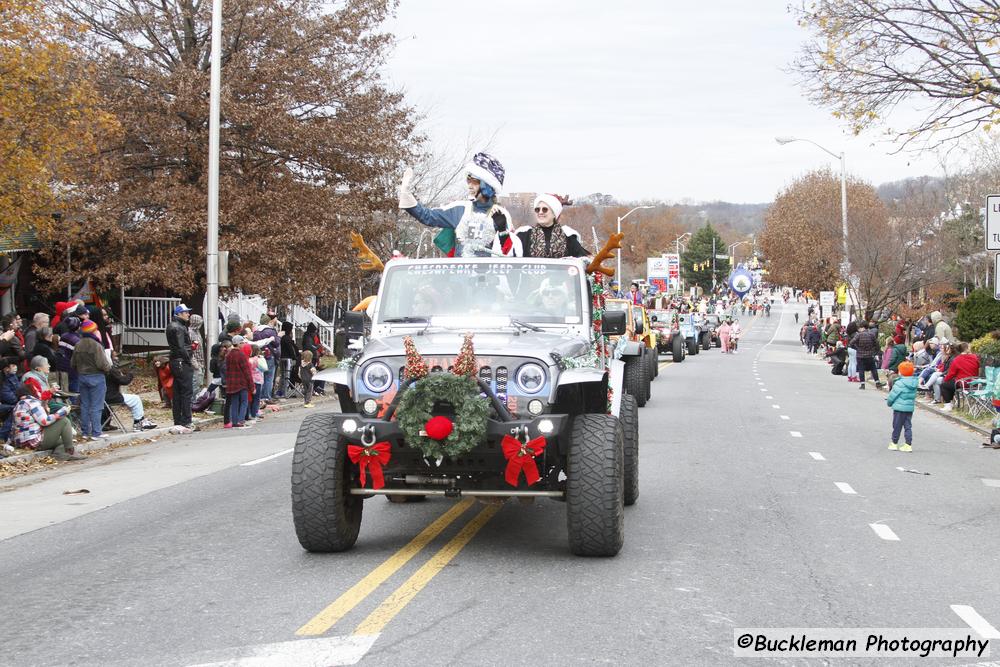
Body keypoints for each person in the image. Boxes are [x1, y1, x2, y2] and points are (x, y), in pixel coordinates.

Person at [399, 152, 521, 257]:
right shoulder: (460, 209)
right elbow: (428, 216)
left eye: (474, 182)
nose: (469, 186)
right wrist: (407, 195)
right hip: (458, 281)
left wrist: (503, 232)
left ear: (487, 186)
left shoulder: (501, 214)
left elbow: (511, 255)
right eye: (468, 181)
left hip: (487, 281)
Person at [12, 378, 82, 460]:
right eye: (37, 390)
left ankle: (60, 454)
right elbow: (44, 421)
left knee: (65, 439)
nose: (38, 392)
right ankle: (70, 451)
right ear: (31, 391)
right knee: (64, 421)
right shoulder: (31, 402)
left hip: (21, 442)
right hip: (34, 441)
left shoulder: (18, 405)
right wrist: (62, 412)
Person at [71, 320, 112, 440]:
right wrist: (109, 367)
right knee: (96, 406)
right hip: (96, 377)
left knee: (85, 405)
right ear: (93, 331)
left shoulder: (78, 344)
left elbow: (73, 363)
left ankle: (85, 432)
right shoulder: (96, 345)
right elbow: (102, 364)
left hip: (82, 377)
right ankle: (96, 432)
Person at [515, 194, 590, 258]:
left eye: (545, 209)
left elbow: (583, 259)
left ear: (554, 213)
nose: (540, 212)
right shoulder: (524, 234)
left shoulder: (567, 236)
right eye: (537, 210)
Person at [165, 303, 195, 433]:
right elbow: (180, 346)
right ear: (178, 314)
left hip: (176, 361)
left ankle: (178, 420)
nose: (188, 314)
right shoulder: (179, 328)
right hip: (181, 362)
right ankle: (186, 421)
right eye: (186, 312)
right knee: (186, 392)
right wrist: (188, 359)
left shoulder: (174, 326)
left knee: (177, 392)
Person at [105, 358, 157, 431]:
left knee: (129, 401)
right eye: (114, 356)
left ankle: (104, 424)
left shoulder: (96, 370)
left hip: (100, 398)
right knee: (136, 399)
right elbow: (124, 381)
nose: (116, 358)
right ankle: (138, 422)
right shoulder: (110, 370)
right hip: (112, 397)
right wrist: (130, 374)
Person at [939, 341, 979, 412]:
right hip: (975, 382)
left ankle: (948, 405)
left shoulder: (957, 359)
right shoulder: (975, 357)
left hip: (963, 383)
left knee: (944, 385)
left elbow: (951, 374)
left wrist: (945, 379)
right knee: (949, 384)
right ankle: (952, 403)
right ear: (967, 348)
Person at [886, 361, 917, 452]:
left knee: (897, 425)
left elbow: (893, 395)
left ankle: (894, 443)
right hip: (909, 408)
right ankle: (908, 444)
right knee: (908, 425)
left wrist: (889, 403)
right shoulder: (914, 383)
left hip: (899, 408)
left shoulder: (899, 383)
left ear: (901, 372)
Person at [224, 336, 253, 428]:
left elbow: (226, 369)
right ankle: (241, 420)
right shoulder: (241, 355)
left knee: (234, 403)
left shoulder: (228, 355)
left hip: (231, 383)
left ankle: (234, 421)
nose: (243, 344)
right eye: (242, 343)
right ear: (239, 343)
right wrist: (251, 386)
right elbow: (246, 371)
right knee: (244, 401)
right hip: (241, 382)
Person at [254, 312, 280, 403]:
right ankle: (266, 397)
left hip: (260, 355)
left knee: (260, 377)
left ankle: (259, 397)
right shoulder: (271, 331)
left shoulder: (256, 331)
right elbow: (276, 343)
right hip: (270, 355)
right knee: (269, 377)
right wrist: (278, 337)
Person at [850, 321, 883, 390]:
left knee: (861, 369)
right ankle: (877, 383)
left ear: (863, 327)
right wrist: (874, 351)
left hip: (860, 355)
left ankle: (862, 384)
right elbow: (877, 344)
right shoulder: (871, 334)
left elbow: (851, 343)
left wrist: (857, 348)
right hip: (870, 355)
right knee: (873, 368)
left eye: (860, 327)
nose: (859, 329)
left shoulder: (858, 335)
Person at [54, 316, 81, 393]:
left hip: (62, 365)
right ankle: (73, 403)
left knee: (64, 388)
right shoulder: (77, 340)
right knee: (74, 389)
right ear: (78, 327)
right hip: (72, 367)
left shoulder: (63, 336)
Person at [277, 321, 300, 398]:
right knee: (287, 375)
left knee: (283, 375)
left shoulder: (281, 337)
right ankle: (285, 392)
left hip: (281, 358)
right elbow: (291, 349)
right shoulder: (287, 338)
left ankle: (280, 392)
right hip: (287, 358)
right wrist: (295, 357)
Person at [0, 360, 20, 443]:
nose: (15, 367)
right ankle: (2, 436)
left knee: (16, 408)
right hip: (6, 403)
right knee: (14, 409)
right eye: (13, 365)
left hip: (7, 403)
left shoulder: (12, 377)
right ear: (6, 368)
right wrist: (18, 400)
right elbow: (6, 395)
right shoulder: (2, 378)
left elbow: (19, 391)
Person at [188, 313, 205, 397]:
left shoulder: (197, 332)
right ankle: (193, 400)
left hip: (201, 361)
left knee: (199, 383)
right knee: (195, 382)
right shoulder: (190, 333)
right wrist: (195, 364)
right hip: (195, 363)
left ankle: (196, 399)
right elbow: (190, 350)